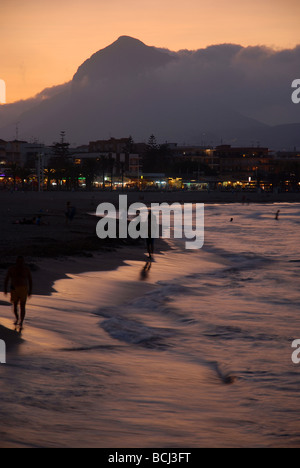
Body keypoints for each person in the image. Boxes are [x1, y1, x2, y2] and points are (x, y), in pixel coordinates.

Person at [4, 256, 33, 328]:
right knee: (15, 305)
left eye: (21, 261)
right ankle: (17, 318)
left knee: (22, 306)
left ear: (23, 262)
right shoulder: (12, 269)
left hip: (23, 289)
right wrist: (5, 289)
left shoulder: (26, 269)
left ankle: (21, 321)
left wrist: (30, 291)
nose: (20, 263)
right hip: (14, 288)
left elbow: (30, 280)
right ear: (16, 261)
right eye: (18, 261)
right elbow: (7, 279)